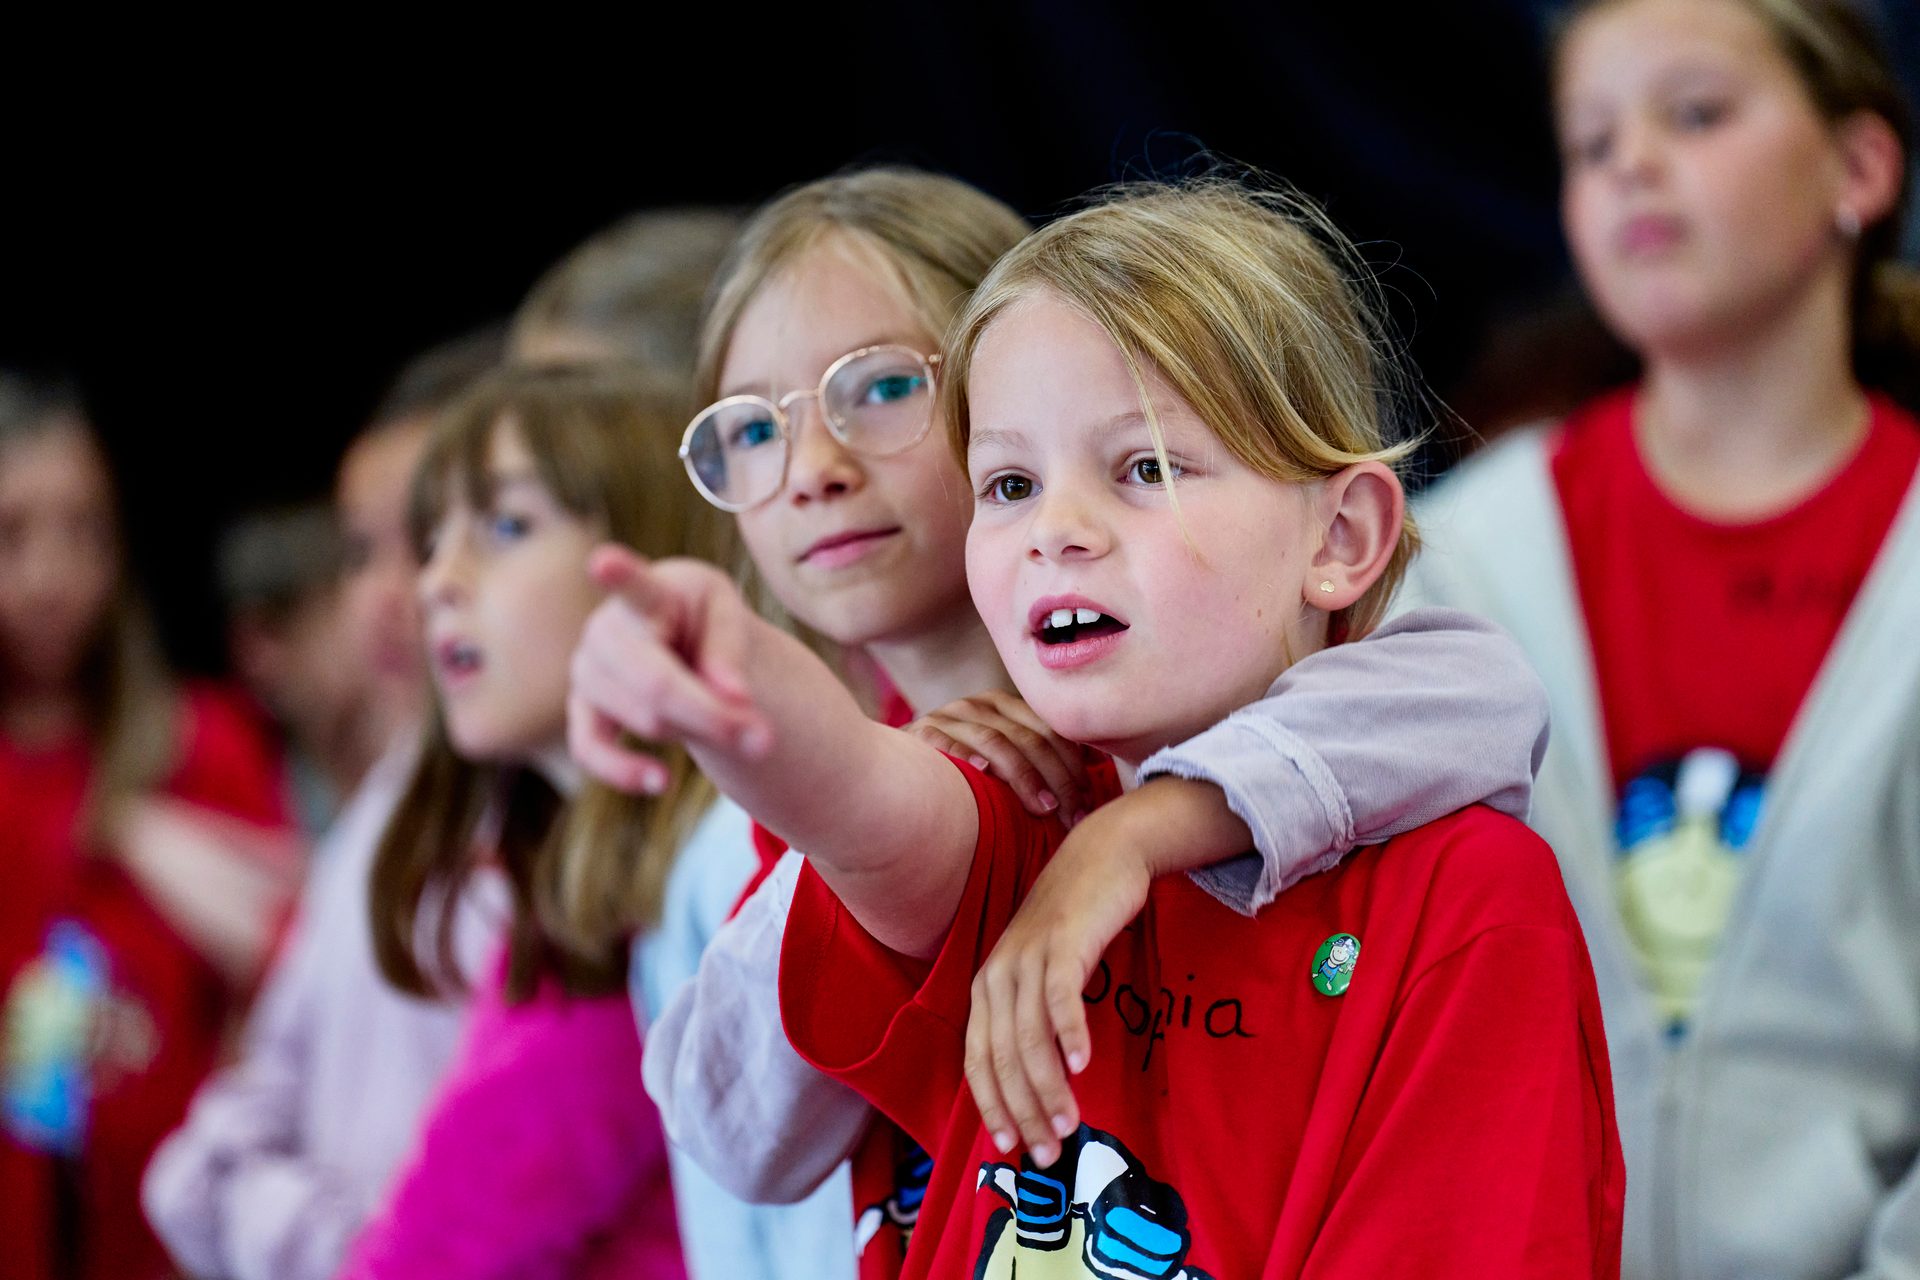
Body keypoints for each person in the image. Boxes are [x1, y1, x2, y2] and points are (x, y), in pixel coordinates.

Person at [572, 179, 1623, 1277]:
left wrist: (1129, 836)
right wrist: (725, 678)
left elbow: (1489, 688)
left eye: (1147, 467)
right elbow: (858, 799)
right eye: (1012, 482)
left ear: (1343, 533)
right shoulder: (1016, 812)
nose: (1057, 530)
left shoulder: (1465, 889)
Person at [1404, 1, 1920, 1274]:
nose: (1632, 162)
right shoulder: (1452, 559)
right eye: (1591, 143)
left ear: (1857, 169)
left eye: (1694, 114)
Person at [337, 365, 713, 1279]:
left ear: (650, 564)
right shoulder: (573, 896)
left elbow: (422, 1262)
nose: (436, 585)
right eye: (434, 541)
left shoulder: (647, 916)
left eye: (505, 527)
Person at [141, 332, 500, 1280]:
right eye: (357, 553)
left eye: (427, 540)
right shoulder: (386, 804)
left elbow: (474, 1221)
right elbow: (218, 1139)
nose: (384, 597)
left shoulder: (541, 830)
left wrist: (320, 1233)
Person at [0, 373, 293, 1280]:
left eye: (84, 530)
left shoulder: (202, 744)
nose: (52, 575)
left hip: (177, 1247)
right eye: (11, 534)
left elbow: (300, 980)